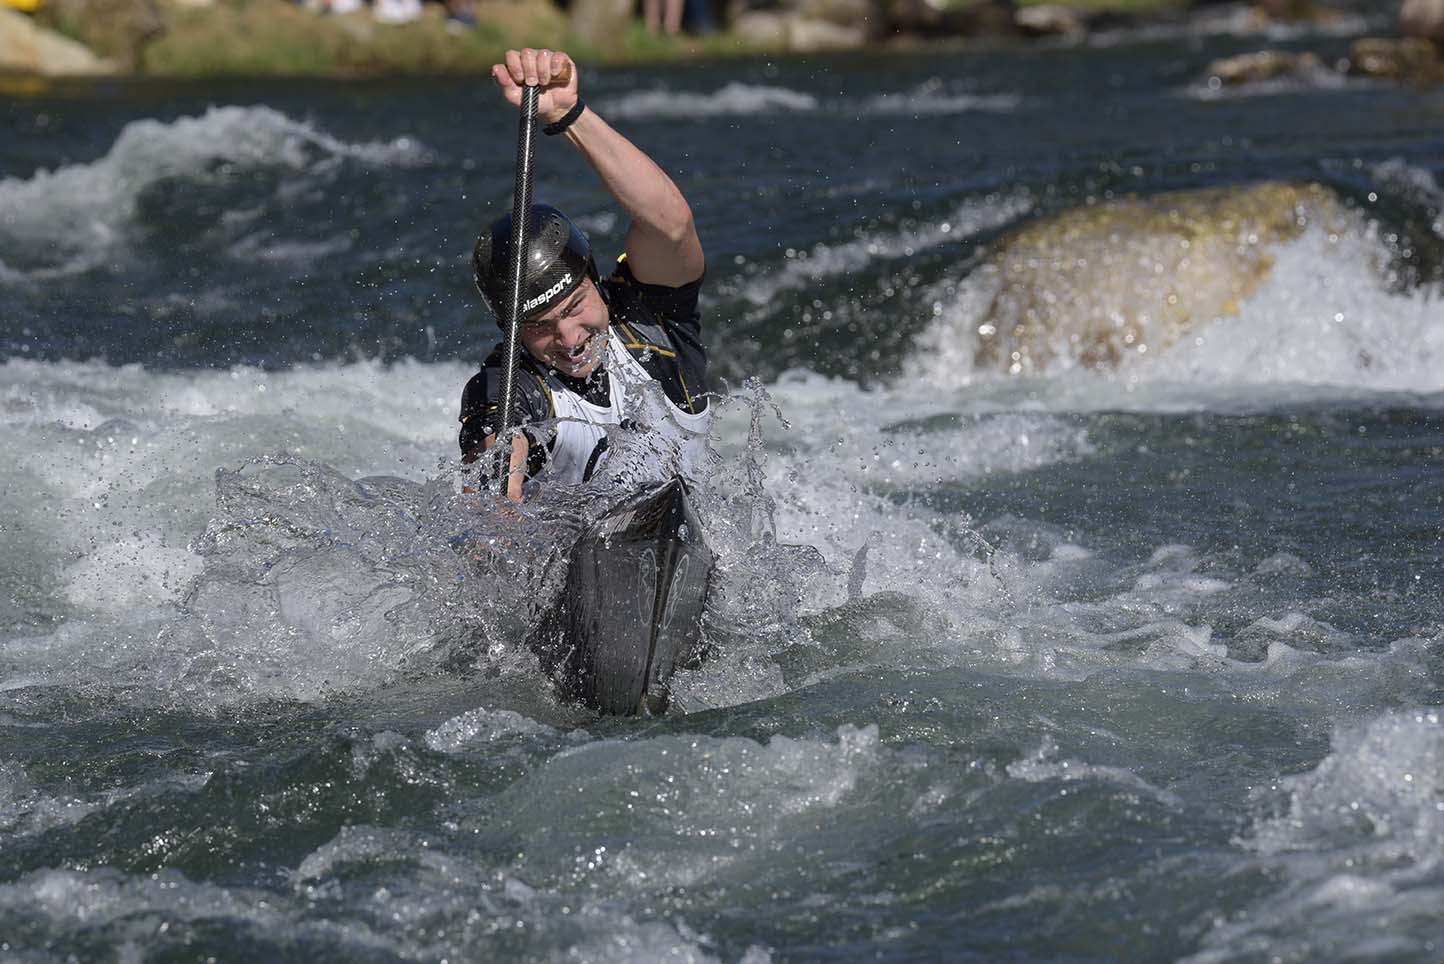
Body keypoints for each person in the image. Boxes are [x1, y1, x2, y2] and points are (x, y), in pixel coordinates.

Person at [460, 48, 710, 504]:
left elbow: (671, 225)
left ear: (595, 281)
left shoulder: (650, 316)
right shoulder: (509, 381)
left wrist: (568, 114)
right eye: (538, 326)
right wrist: (498, 510)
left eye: (574, 307)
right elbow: (500, 453)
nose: (570, 338)